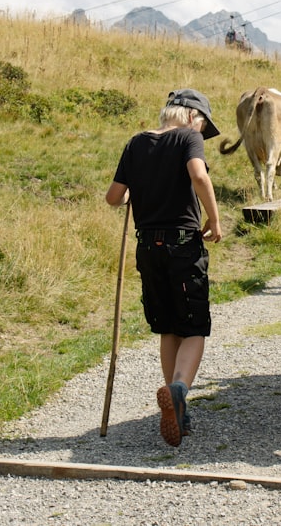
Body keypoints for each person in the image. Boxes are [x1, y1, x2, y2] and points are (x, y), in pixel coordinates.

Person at [105, 88, 223, 448]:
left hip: (147, 247)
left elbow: (114, 197)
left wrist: (133, 194)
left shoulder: (136, 142)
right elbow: (199, 177)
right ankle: (179, 390)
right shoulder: (187, 137)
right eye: (203, 125)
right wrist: (215, 220)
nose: (201, 132)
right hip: (183, 244)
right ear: (190, 116)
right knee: (195, 327)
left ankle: (175, 407)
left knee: (168, 327)